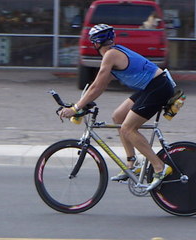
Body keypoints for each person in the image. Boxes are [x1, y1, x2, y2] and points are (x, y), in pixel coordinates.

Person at [59, 24, 174, 191]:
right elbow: (100, 85)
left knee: (128, 128)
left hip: (158, 87)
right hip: (151, 87)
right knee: (118, 117)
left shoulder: (111, 55)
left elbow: (97, 87)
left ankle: (159, 167)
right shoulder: (115, 53)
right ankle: (132, 163)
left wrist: (75, 108)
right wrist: (82, 103)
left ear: (96, 42)